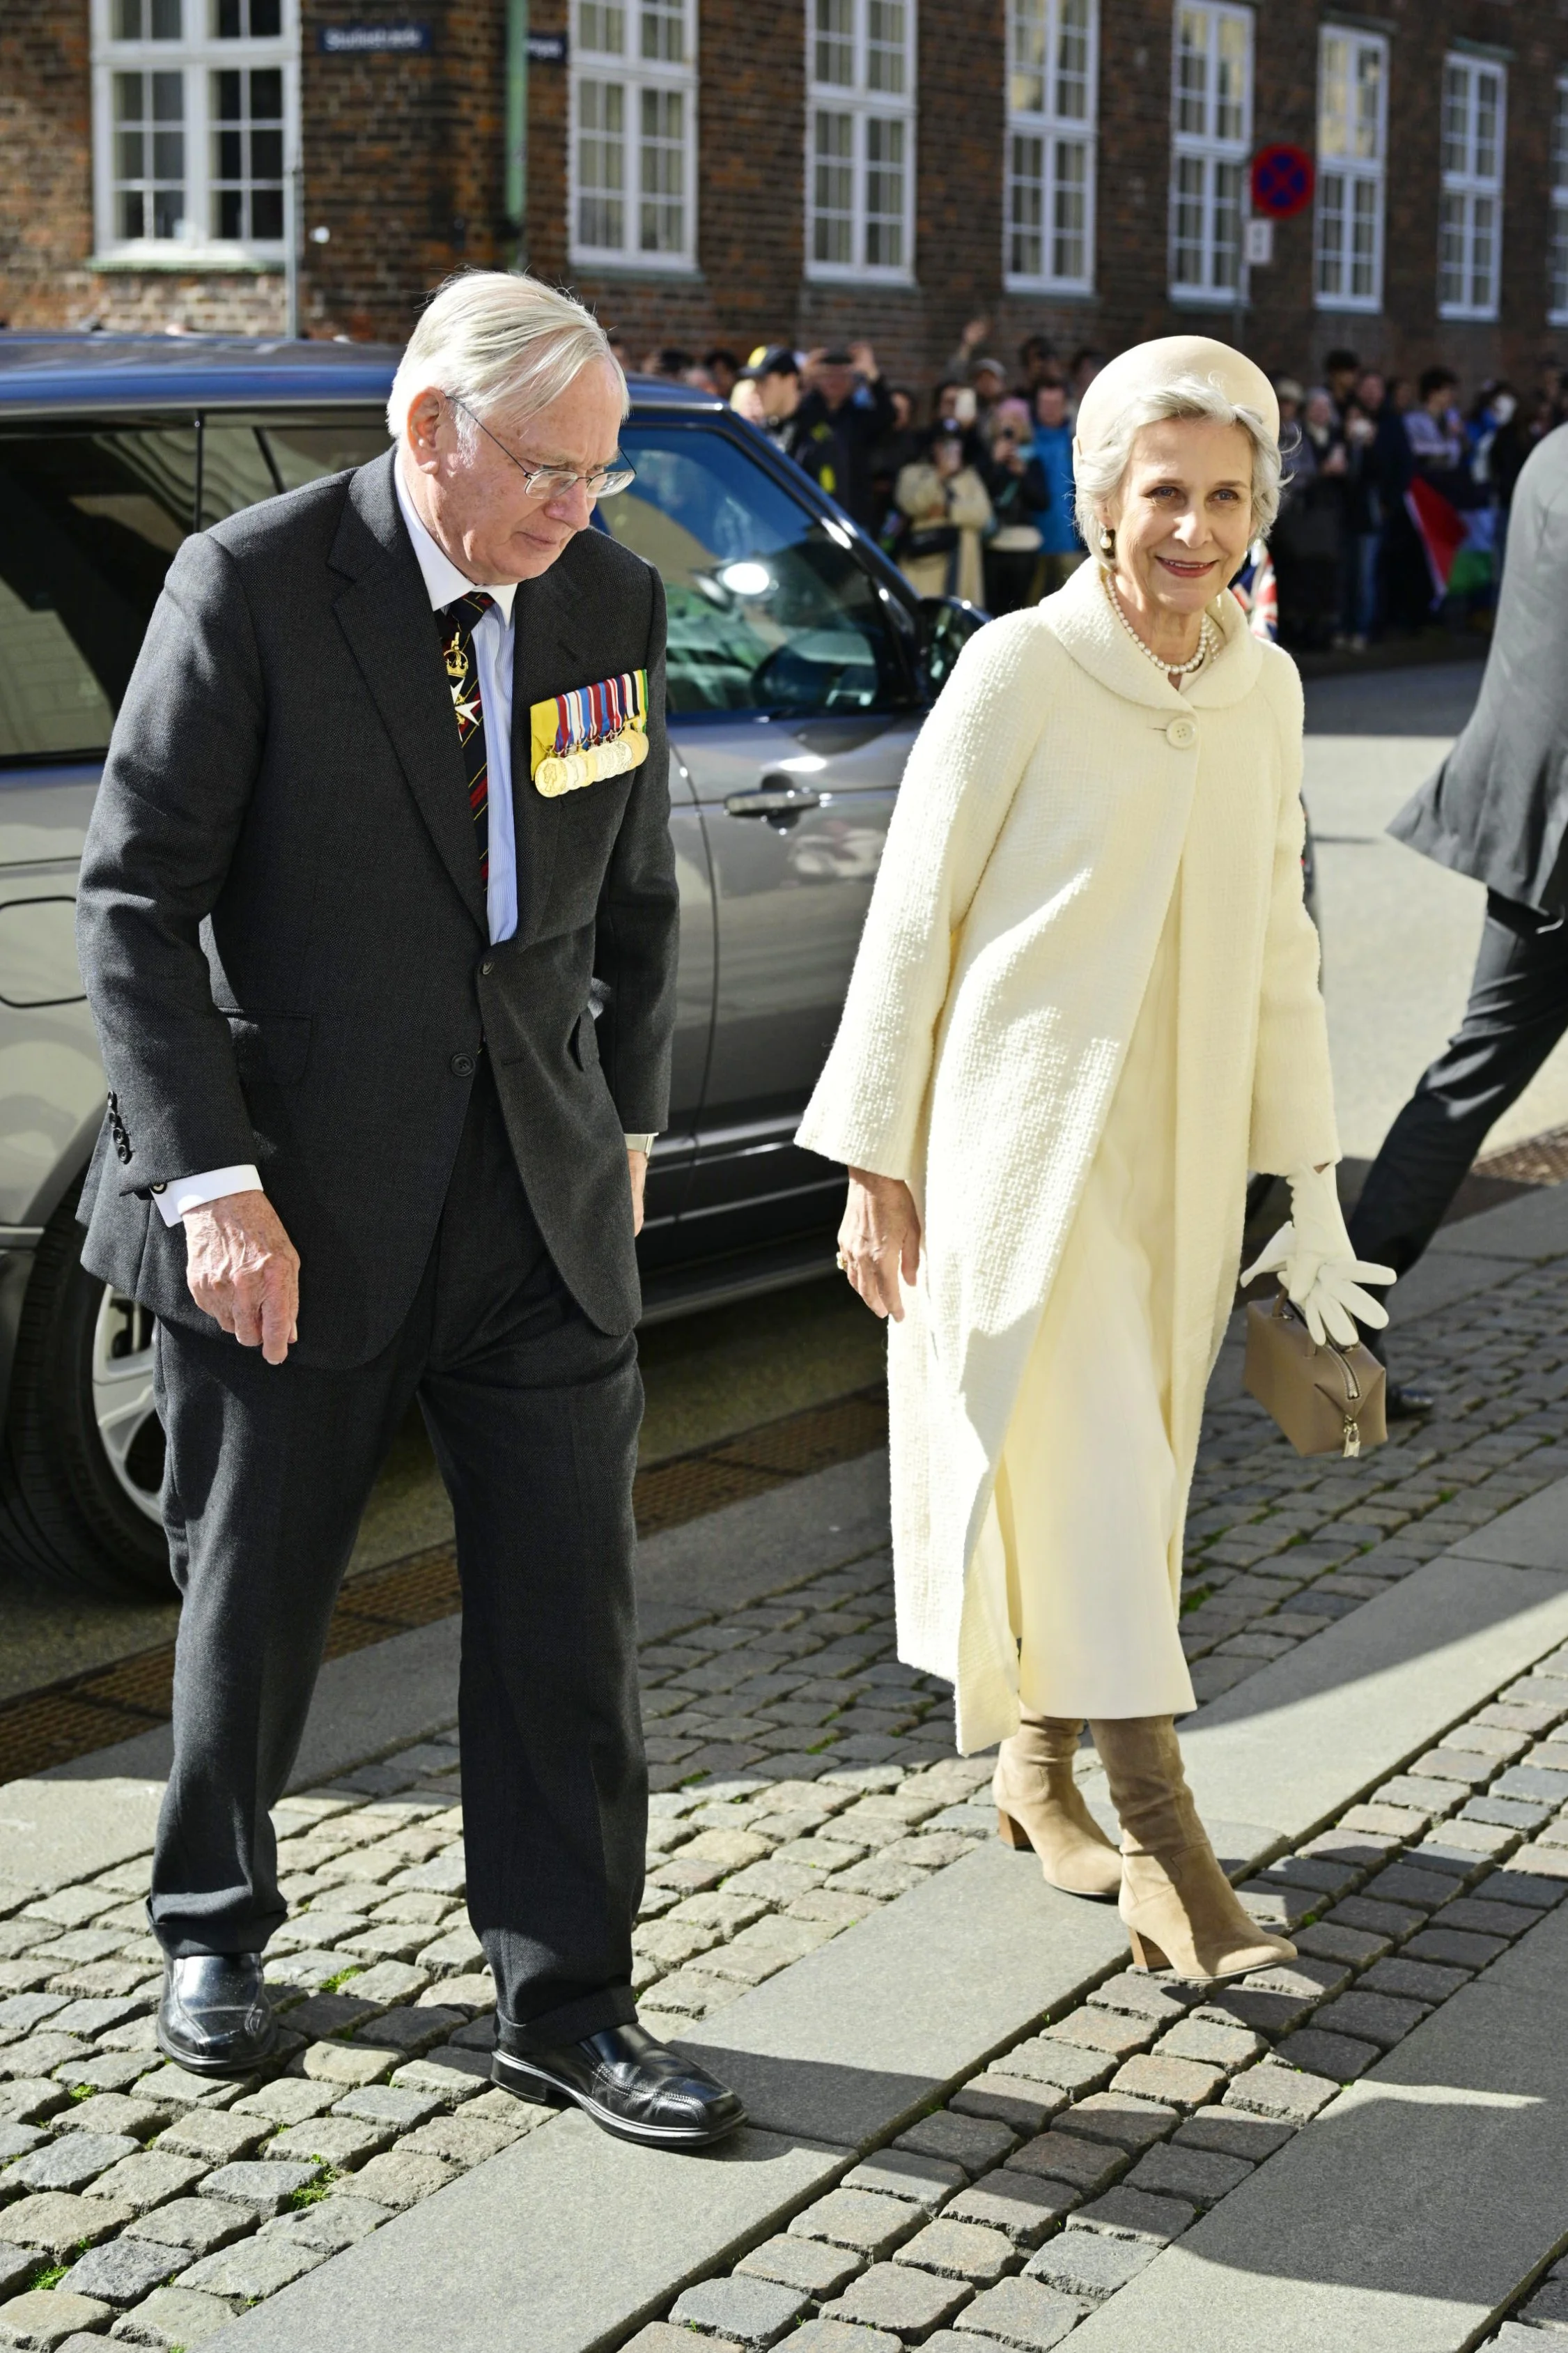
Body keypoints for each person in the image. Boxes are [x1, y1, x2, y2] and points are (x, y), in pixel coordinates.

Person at [74, 270, 745, 2150]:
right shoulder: (256, 585)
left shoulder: (607, 599)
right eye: (551, 470)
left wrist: (623, 1127)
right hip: (291, 1211)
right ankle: (213, 1921)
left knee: (565, 1624)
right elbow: (132, 905)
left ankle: (570, 2001)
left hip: (536, 1206)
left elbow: (633, 913)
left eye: (604, 475)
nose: (579, 511)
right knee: (253, 1597)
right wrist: (214, 1188)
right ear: (428, 428)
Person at [798, 334, 1391, 1982]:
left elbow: (1279, 940)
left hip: (1182, 1163)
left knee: (1127, 1489)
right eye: (1161, 494)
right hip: (1018, 1160)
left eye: (1224, 496)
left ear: (1261, 504)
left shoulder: (1263, 687)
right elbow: (910, 923)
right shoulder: (1018, 671)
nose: (1192, 529)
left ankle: (1033, 1768)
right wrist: (873, 1161)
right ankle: (1165, 1849)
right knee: (1086, 1473)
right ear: (1099, 500)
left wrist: (1308, 1181)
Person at [1350, 424, 1568, 1412]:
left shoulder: (1549, 453)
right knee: (1470, 1075)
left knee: (1468, 1075)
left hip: (1536, 818)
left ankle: (1328, 1339)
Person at [797, 343, 895, 531]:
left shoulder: (859, 417)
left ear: (853, 381)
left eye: (842, 376)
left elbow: (888, 416)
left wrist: (872, 374)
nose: (835, 381)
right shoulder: (805, 412)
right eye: (828, 375)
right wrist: (802, 377)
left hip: (853, 515)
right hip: (809, 511)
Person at [894, 421, 992, 605]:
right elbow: (913, 504)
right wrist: (940, 474)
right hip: (923, 567)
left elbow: (983, 515)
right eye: (944, 445)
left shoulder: (970, 478)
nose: (950, 450)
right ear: (933, 447)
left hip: (962, 568)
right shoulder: (913, 473)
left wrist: (948, 510)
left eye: (955, 444)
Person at [734, 345, 848, 500]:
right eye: (754, 383)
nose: (756, 391)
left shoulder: (817, 438)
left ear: (790, 380)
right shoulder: (759, 430)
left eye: (763, 382)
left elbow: (831, 502)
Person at [983, 396, 1047, 614]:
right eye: (1006, 420)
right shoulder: (987, 457)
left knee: (1019, 608)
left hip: (1023, 545)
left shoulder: (1032, 460)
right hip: (993, 543)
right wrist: (993, 463)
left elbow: (1042, 501)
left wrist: (1023, 475)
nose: (1011, 426)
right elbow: (979, 494)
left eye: (1017, 420)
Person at [1030, 375, 1083, 593]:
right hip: (1030, 544)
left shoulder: (1079, 440)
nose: (1050, 409)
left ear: (1065, 405)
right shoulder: (1024, 438)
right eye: (1045, 404)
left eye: (1056, 404)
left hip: (1070, 543)